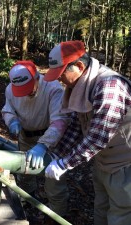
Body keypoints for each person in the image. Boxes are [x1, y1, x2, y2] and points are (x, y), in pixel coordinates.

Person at [44, 40, 131, 225]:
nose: (59, 80)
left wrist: (64, 164)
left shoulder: (110, 86)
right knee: (101, 211)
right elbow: (77, 126)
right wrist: (55, 155)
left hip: (125, 167)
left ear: (79, 66)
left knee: (121, 217)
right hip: (104, 163)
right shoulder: (81, 86)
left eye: (61, 75)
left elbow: (99, 136)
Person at [1, 60, 69, 220]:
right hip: (25, 136)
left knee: (54, 180)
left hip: (51, 140)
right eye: (21, 90)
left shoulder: (53, 88)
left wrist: (43, 145)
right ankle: (28, 202)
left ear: (37, 77)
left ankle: (57, 216)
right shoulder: (10, 89)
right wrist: (12, 122)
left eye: (28, 88)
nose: (25, 93)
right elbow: (7, 109)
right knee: (24, 175)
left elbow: (59, 121)